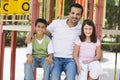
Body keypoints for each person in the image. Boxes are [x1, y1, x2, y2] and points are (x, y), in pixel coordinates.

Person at [46, 3, 83, 80]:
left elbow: (91, 40)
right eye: (73, 13)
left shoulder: (82, 28)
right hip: (55, 58)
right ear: (69, 13)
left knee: (71, 78)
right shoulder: (57, 23)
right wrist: (31, 34)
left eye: (78, 14)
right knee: (54, 78)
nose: (75, 16)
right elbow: (43, 32)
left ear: (81, 16)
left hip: (71, 59)